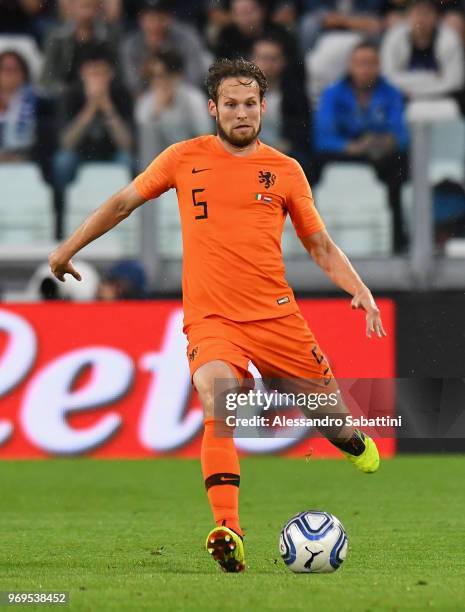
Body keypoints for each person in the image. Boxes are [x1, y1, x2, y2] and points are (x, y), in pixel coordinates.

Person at [49, 57, 386, 574]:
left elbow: (317, 244)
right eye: (230, 104)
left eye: (250, 103)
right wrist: (67, 248)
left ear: (263, 108)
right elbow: (122, 203)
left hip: (276, 319)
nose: (241, 112)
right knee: (218, 398)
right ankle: (228, 529)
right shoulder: (184, 158)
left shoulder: (286, 170)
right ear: (213, 108)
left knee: (332, 421)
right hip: (212, 320)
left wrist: (358, 286)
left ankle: (353, 441)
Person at [314, 42, 409, 252]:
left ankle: (397, 240)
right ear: (350, 66)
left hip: (380, 153)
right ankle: (316, 240)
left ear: (379, 66)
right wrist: (351, 146)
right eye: (359, 63)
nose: (365, 69)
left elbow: (401, 135)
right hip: (344, 153)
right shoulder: (333, 93)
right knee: (309, 167)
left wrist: (384, 142)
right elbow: (323, 137)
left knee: (400, 167)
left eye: (370, 63)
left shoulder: (391, 93)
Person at [53, 46, 133, 196]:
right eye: (93, 74)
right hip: (80, 153)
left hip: (111, 153)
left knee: (128, 161)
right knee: (62, 161)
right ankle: (60, 208)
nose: (98, 80)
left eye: (102, 74)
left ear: (111, 75)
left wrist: (108, 107)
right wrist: (90, 108)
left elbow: (127, 144)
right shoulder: (71, 94)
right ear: (82, 74)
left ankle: (127, 207)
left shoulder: (121, 94)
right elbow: (66, 142)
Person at [121, 0, 210, 95]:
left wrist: (172, 88)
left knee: (206, 61)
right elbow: (133, 85)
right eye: (150, 18)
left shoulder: (186, 37)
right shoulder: (131, 45)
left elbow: (194, 77)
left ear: (169, 18)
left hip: (184, 95)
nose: (155, 23)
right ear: (141, 19)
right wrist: (151, 56)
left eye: (160, 17)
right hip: (150, 98)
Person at [381, 0, 464, 100]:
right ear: (407, 16)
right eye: (417, 14)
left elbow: (455, 82)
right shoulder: (394, 37)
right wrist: (432, 78)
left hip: (443, 98)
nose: (421, 19)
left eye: (427, 14)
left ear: (437, 17)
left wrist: (411, 86)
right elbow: (387, 77)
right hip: (403, 97)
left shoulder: (450, 39)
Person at [135, 51, 212, 154]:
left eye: (161, 75)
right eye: (152, 76)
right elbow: (145, 141)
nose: (156, 81)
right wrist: (156, 113)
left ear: (177, 76)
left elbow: (205, 135)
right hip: (156, 164)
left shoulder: (194, 99)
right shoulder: (146, 102)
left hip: (189, 161)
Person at [40, 0, 119, 96]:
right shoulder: (57, 38)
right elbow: (47, 79)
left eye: (90, 6)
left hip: (103, 92)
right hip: (65, 96)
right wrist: (71, 92)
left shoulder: (109, 38)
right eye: (83, 6)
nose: (87, 12)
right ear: (71, 7)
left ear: (98, 8)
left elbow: (119, 74)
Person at [251, 36, 311, 162]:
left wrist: (284, 147)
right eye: (263, 58)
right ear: (252, 60)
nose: (268, 65)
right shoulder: (238, 93)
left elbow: (300, 133)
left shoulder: (295, 96)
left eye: (273, 59)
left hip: (285, 154)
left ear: (283, 62)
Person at [0, 49, 37, 162]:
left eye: (13, 69)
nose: (8, 74)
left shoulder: (37, 100)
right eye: (4, 69)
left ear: (23, 73)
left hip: (24, 157)